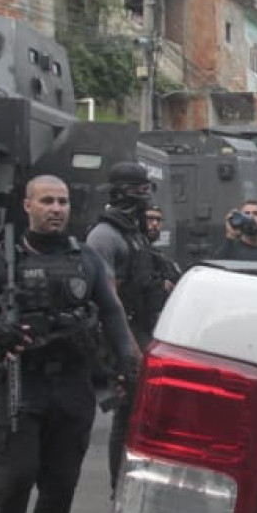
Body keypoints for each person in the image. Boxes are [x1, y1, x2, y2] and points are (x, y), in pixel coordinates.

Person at [0, 175, 137, 513]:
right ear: (28, 206)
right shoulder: (1, 260)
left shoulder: (86, 259)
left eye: (62, 201)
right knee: (16, 477)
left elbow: (112, 314)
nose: (56, 209)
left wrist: (129, 365)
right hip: (24, 382)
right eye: (46, 201)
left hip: (73, 386)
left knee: (61, 481)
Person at [86, 162, 172, 494]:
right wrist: (128, 351)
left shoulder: (133, 233)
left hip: (145, 329)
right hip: (125, 335)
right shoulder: (104, 236)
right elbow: (107, 299)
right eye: (138, 189)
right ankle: (119, 489)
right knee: (127, 417)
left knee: (148, 414)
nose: (144, 196)